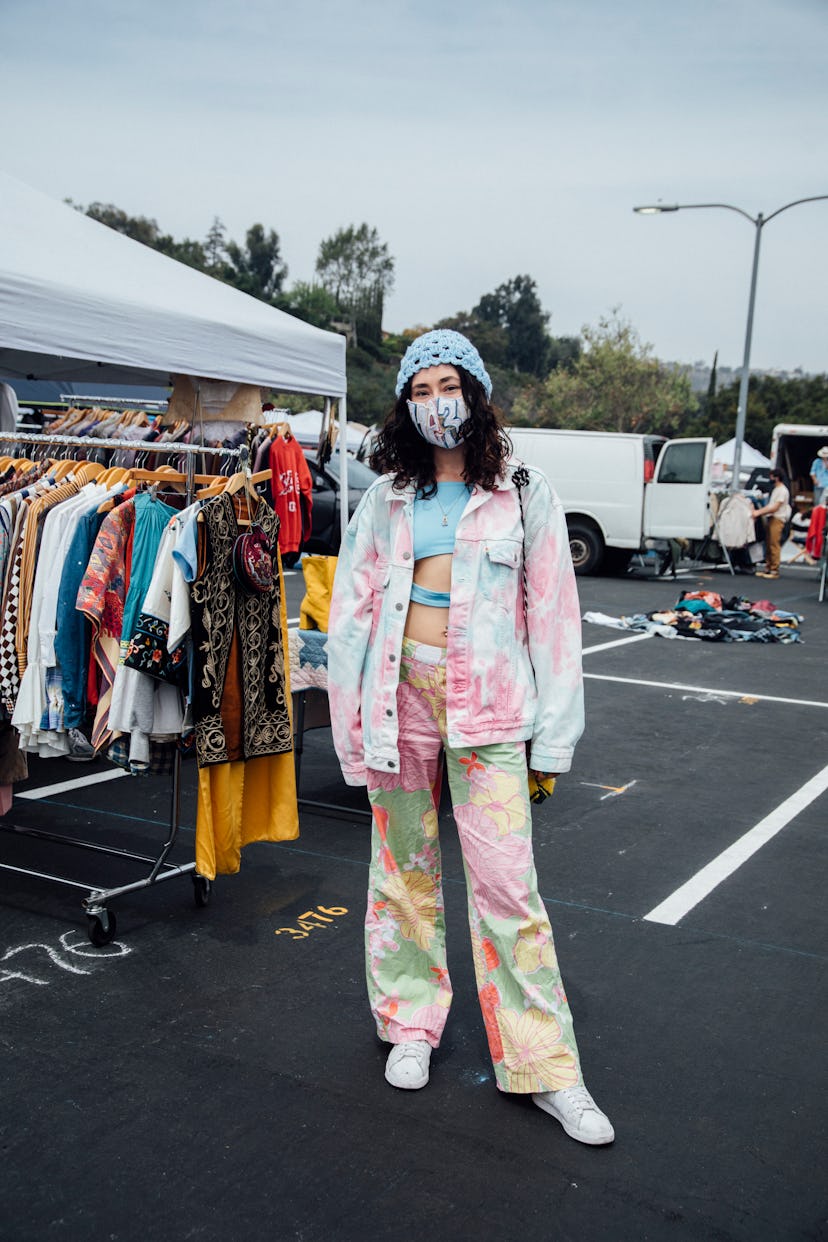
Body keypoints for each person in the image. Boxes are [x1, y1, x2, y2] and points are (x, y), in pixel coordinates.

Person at [327, 329, 614, 1146]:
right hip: (398, 698)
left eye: (446, 385)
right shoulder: (385, 497)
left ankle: (548, 1067)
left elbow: (555, 618)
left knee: (508, 891)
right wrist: (352, 729)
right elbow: (350, 616)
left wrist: (552, 742)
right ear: (403, 405)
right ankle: (410, 1026)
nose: (433, 404)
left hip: (489, 709)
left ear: (476, 394)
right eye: (418, 391)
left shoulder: (523, 490)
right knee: (402, 872)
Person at [754, 467, 792, 580]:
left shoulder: (782, 490)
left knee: (774, 544)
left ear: (777, 477)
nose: (770, 479)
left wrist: (758, 512)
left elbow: (774, 507)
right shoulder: (776, 489)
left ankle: (774, 569)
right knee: (769, 542)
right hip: (772, 518)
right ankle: (768, 567)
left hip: (777, 518)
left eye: (772, 476)